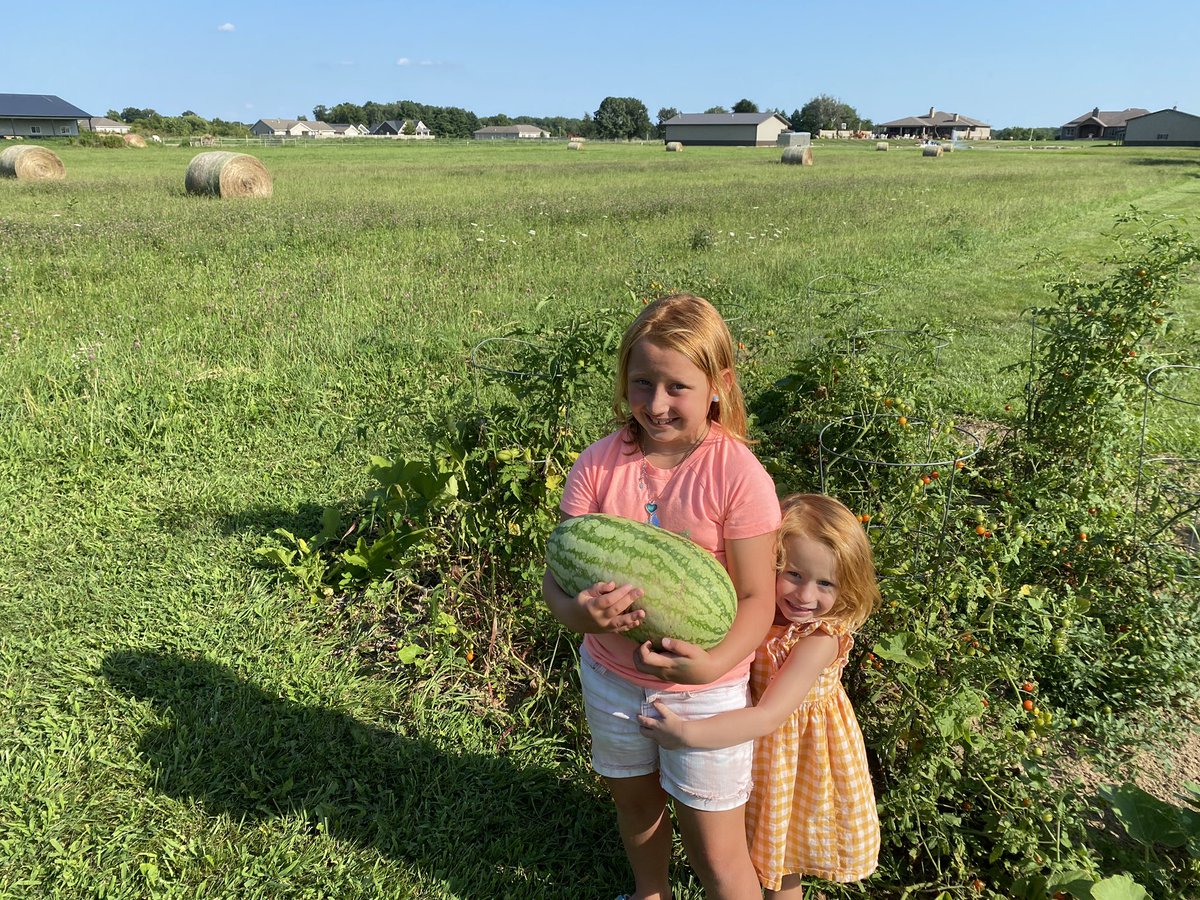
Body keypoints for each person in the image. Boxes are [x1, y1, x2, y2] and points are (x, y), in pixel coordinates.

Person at [543, 294, 780, 900]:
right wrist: (579, 613)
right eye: (641, 382)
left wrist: (712, 663)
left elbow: (757, 598)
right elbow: (557, 579)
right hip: (612, 678)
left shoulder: (738, 475)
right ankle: (651, 894)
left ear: (718, 386)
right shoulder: (598, 465)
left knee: (714, 844)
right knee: (637, 807)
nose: (655, 403)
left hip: (708, 692)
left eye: (677, 386)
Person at [638, 493, 881, 897]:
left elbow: (769, 716)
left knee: (782, 868)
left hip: (795, 758)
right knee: (748, 853)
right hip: (753, 746)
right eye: (793, 574)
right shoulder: (759, 615)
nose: (805, 596)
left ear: (847, 587)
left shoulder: (819, 639)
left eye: (825, 583)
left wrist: (687, 734)